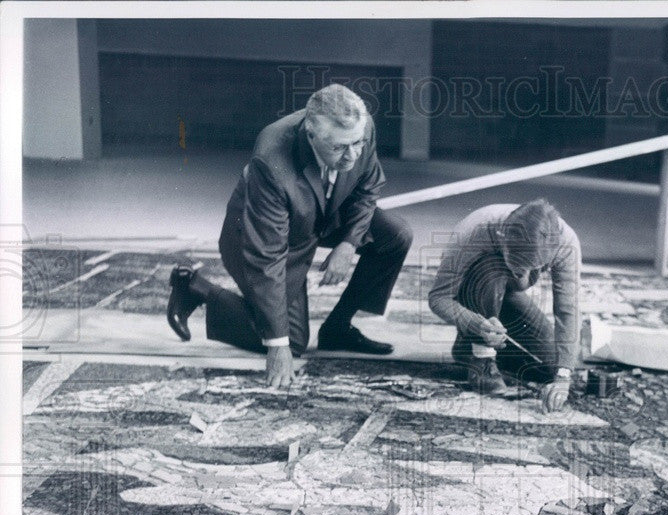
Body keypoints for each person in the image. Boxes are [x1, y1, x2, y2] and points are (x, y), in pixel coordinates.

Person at [167, 83, 412, 387]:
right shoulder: (271, 160)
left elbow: (367, 187)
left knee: (396, 235)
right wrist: (277, 345)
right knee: (291, 340)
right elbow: (265, 257)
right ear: (310, 135)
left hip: (324, 210)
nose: (351, 156)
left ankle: (338, 328)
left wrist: (349, 242)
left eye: (357, 144)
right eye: (338, 148)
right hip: (261, 232)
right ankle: (194, 287)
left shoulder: (360, 127)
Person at [427, 200, 581, 412]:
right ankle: (481, 357)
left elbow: (568, 310)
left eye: (533, 268)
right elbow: (439, 298)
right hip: (476, 291)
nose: (524, 275)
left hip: (507, 294)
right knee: (490, 271)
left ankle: (465, 347)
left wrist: (563, 375)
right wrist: (476, 325)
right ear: (501, 238)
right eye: (518, 266)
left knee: (552, 366)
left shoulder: (566, 242)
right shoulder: (474, 231)